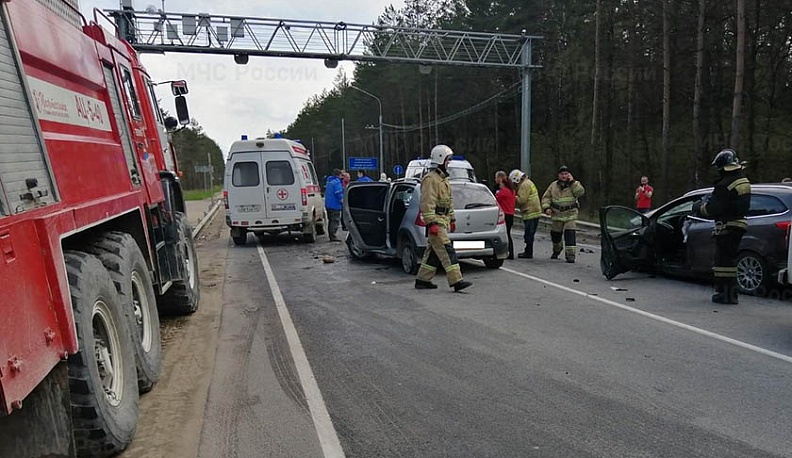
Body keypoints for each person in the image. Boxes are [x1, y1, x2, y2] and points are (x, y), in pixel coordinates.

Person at [692, 149, 751, 304]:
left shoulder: (724, 185)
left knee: (723, 263)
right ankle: (731, 293)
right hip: (739, 224)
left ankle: (724, 294)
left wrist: (698, 207)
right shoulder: (742, 180)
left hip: (727, 226)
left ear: (722, 166)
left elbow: (712, 210)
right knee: (730, 262)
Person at [415, 145, 472, 292]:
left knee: (433, 253)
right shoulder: (430, 180)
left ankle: (422, 280)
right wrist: (431, 222)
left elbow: (449, 202)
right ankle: (457, 280)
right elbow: (427, 203)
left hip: (443, 221)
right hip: (437, 222)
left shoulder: (443, 180)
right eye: (448, 160)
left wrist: (452, 219)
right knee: (447, 251)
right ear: (440, 159)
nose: (449, 163)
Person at [541, 165, 585, 263]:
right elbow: (546, 197)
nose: (564, 176)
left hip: (570, 214)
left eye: (566, 174)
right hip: (557, 215)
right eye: (562, 174)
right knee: (555, 235)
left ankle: (570, 255)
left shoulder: (575, 184)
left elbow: (580, 193)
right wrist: (546, 208)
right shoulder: (553, 185)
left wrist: (572, 182)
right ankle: (557, 250)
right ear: (558, 175)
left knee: (570, 234)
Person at [509, 169, 542, 259]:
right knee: (530, 233)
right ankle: (528, 251)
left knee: (528, 234)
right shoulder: (529, 182)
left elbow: (522, 200)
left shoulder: (524, 185)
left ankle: (528, 252)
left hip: (529, 212)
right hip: (535, 211)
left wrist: (512, 197)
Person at [494, 171, 516, 259]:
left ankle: (507, 251)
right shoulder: (512, 191)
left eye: (496, 178)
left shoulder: (503, 192)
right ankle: (511, 252)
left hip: (505, 214)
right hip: (511, 214)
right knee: (508, 234)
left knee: (505, 234)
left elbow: (495, 201)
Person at [324, 169, 344, 241]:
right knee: (335, 220)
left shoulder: (329, 181)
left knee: (330, 220)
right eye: (342, 175)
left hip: (328, 204)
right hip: (335, 205)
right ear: (339, 175)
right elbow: (338, 193)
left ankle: (331, 235)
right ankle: (333, 236)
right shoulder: (337, 182)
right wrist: (343, 202)